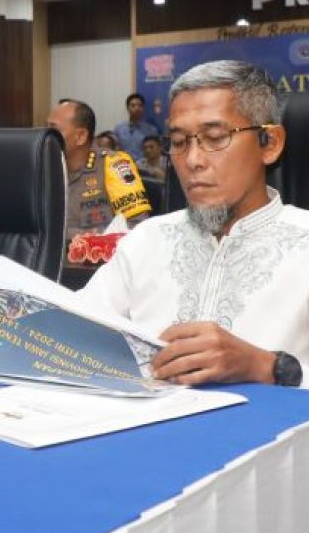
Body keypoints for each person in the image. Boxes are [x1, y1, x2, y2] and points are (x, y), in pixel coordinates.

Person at [80, 60, 309, 388]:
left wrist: (266, 367)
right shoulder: (147, 239)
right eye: (178, 142)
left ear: (269, 143)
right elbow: (76, 333)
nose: (192, 160)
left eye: (215, 138)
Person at [47, 98, 151, 244]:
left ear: (81, 136)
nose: (45, 136)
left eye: (53, 130)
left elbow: (136, 227)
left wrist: (70, 235)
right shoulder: (45, 167)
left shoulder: (113, 164)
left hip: (99, 256)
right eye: (45, 128)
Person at [112, 92, 160, 161]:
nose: (137, 108)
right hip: (124, 165)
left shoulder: (151, 130)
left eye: (140, 106)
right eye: (133, 105)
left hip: (144, 165)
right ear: (127, 108)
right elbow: (114, 150)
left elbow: (155, 152)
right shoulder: (118, 129)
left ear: (143, 108)